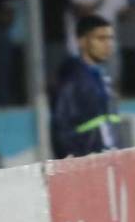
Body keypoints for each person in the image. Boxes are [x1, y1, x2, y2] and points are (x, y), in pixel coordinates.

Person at [51, 15, 122, 158]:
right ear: (82, 42)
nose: (108, 44)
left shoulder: (102, 76)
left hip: (109, 159)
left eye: (110, 38)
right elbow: (60, 124)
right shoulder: (72, 79)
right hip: (87, 163)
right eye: (101, 39)